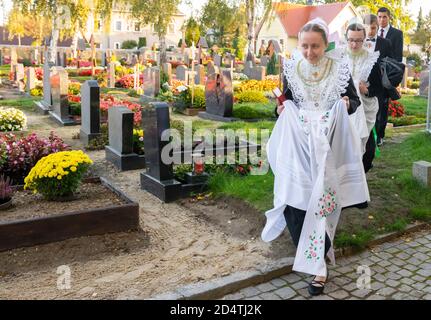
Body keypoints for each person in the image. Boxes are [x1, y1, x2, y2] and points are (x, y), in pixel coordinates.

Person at [263, 18, 369, 296]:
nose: (309, 52)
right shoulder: (293, 68)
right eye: (305, 46)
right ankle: (311, 257)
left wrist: (346, 104)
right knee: (294, 198)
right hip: (297, 143)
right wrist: (279, 110)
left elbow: (354, 101)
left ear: (326, 45)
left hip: (328, 145)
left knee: (322, 200)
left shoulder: (339, 69)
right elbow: (286, 100)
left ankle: (319, 264)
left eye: (315, 47)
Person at [344, 23, 382, 172]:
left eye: (358, 40)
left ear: (364, 39)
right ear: (346, 38)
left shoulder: (371, 59)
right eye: (351, 40)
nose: (354, 44)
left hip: (365, 108)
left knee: (366, 147)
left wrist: (366, 90)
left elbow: (379, 88)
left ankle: (363, 170)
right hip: (346, 107)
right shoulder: (339, 57)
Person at [364, 13, 393, 147]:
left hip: (378, 85)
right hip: (362, 84)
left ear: (377, 27)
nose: (370, 31)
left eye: (373, 28)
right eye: (368, 28)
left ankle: (375, 139)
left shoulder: (385, 43)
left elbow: (389, 64)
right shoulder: (359, 41)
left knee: (378, 113)